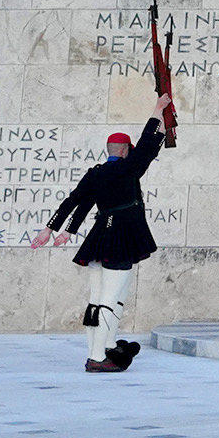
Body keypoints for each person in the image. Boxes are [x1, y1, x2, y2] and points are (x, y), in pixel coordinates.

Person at [31, 117, 169, 372]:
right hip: (120, 237)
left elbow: (77, 202)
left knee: (99, 300)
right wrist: (157, 113)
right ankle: (97, 357)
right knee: (110, 299)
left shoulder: (97, 173)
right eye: (130, 149)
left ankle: (106, 345)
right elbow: (148, 147)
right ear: (124, 150)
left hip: (99, 237)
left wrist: (54, 229)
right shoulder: (128, 169)